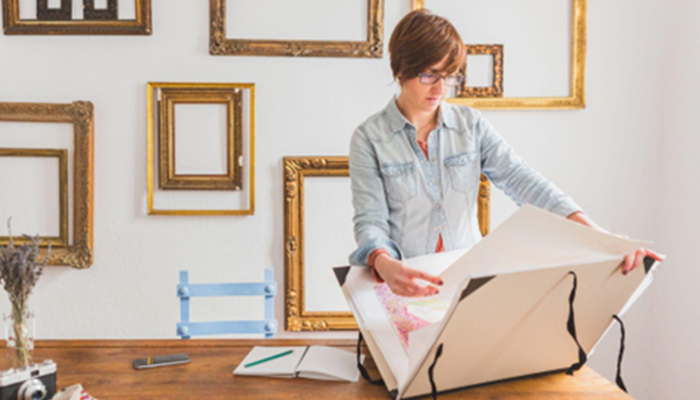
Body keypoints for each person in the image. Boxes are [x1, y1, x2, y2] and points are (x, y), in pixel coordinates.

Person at [348, 9, 662, 298]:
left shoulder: (470, 126)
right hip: (403, 288)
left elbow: (524, 181)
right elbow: (370, 222)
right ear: (401, 68)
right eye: (430, 75)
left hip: (466, 287)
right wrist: (386, 266)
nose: (440, 88)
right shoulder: (369, 138)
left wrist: (600, 237)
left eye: (450, 76)